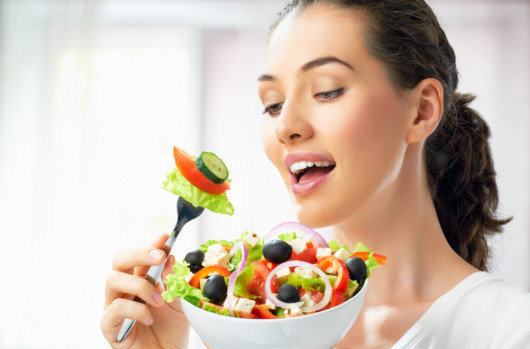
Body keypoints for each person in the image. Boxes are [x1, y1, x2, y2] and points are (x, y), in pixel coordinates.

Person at [101, 0, 530, 348]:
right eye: (272, 104)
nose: (285, 125)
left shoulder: (510, 331)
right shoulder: (241, 323)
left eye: (327, 90)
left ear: (421, 110)